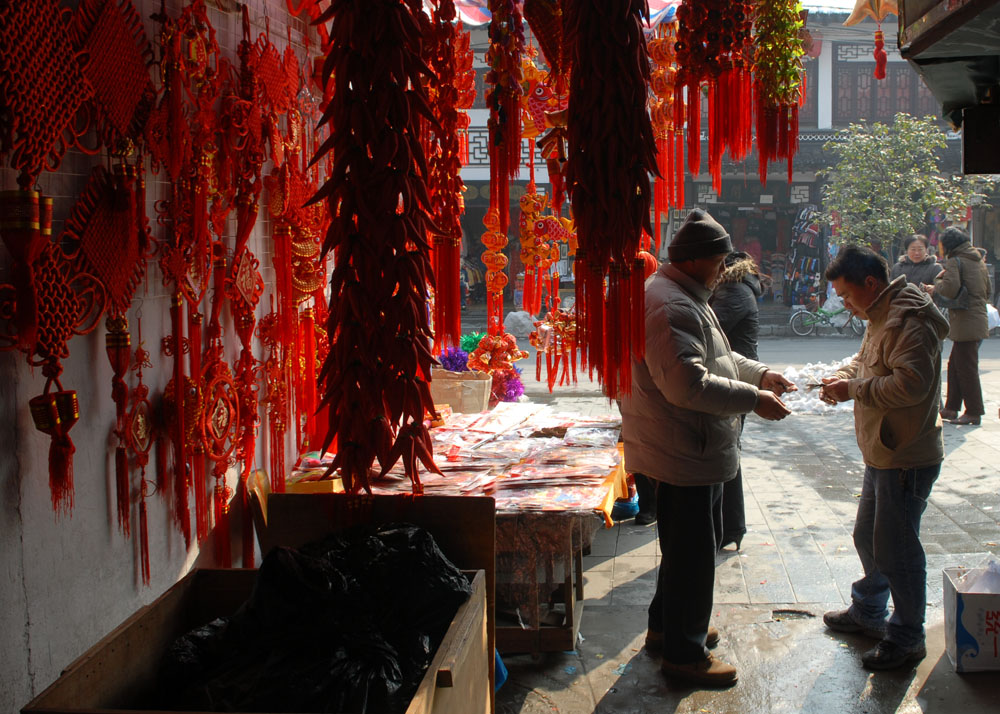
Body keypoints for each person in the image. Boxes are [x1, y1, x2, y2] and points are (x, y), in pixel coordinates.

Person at [620, 209, 795, 687]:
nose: (723, 271)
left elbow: (718, 355)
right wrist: (753, 399)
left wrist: (759, 374)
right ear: (697, 261)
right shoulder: (671, 304)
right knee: (694, 555)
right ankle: (685, 654)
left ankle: (669, 628)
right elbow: (688, 385)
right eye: (719, 262)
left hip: (683, 443)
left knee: (681, 550)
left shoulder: (680, 295)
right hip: (684, 445)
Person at [819, 245, 949, 670]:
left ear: (870, 284)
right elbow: (864, 362)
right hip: (882, 450)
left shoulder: (910, 319)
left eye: (846, 294)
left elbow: (911, 385)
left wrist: (853, 390)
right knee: (867, 537)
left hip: (906, 454)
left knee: (897, 550)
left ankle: (908, 637)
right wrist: (842, 377)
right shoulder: (878, 314)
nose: (844, 303)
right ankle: (869, 610)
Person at [708, 251, 762, 550]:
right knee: (728, 449)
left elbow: (710, 331)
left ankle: (729, 527)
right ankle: (729, 527)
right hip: (735, 372)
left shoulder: (732, 291)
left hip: (734, 375)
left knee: (726, 450)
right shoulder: (739, 288)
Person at [925, 227, 992, 426]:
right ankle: (951, 408)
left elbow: (950, 289)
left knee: (966, 367)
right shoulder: (977, 259)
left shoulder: (955, 261)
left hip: (966, 321)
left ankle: (973, 410)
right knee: (955, 365)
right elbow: (987, 290)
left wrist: (936, 285)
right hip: (976, 317)